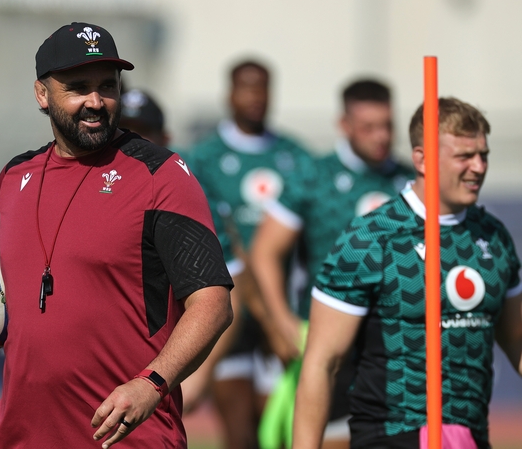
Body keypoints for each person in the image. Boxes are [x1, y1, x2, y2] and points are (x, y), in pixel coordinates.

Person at [0, 22, 233, 448]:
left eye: (107, 86)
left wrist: (152, 383)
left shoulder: (162, 175)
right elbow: (4, 299)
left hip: (125, 438)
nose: (96, 101)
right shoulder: (13, 178)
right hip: (16, 438)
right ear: (42, 94)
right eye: (78, 88)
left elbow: (213, 304)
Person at [293, 97, 522, 448]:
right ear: (422, 159)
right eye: (465, 156)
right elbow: (322, 361)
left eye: (484, 155)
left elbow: (517, 339)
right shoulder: (371, 238)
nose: (478, 167)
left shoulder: (494, 236)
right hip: (391, 434)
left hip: (470, 434)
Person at [0, 86, 173, 416]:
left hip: (132, 402)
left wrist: (158, 379)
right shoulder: (33, 178)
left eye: (142, 132)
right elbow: (7, 285)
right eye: (126, 128)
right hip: (33, 416)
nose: (132, 140)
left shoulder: (169, 188)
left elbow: (211, 300)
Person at [250, 79, 413, 447]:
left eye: (387, 125)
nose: (381, 136)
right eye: (369, 127)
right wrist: (282, 320)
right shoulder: (314, 175)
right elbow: (265, 251)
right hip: (330, 335)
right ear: (344, 125)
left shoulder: (409, 182)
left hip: (393, 341)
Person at [182, 59, 310, 449]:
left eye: (263, 88)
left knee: (278, 430)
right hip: (228, 311)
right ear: (230, 94)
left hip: (281, 311)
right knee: (239, 434)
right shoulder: (202, 159)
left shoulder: (296, 157)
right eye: (247, 87)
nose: (255, 96)